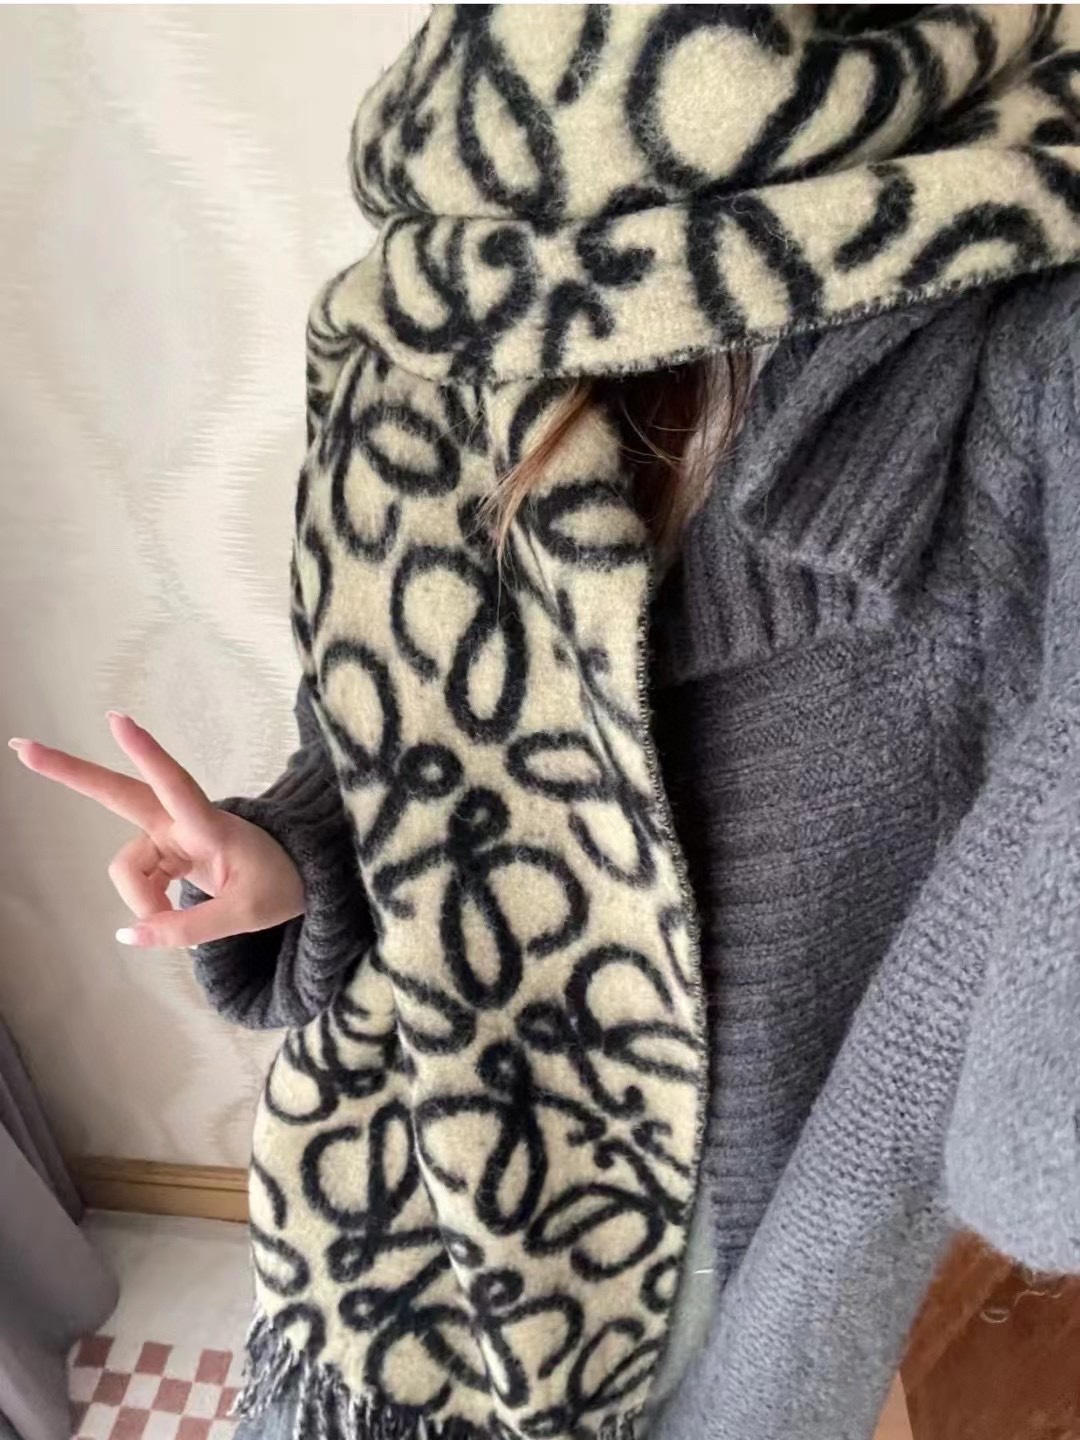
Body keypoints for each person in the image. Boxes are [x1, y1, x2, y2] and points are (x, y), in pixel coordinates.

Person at [10, 6, 1080, 1439]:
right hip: (405, 1176)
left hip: (732, 1245)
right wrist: (286, 856)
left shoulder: (1020, 300)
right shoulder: (427, 282)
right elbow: (397, 733)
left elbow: (1035, 1150)